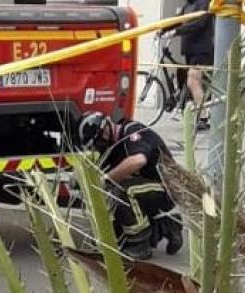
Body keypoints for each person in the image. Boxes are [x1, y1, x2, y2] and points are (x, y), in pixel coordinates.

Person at [76, 111, 182, 258]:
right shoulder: (112, 149)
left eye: (102, 138)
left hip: (166, 187)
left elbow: (138, 161)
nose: (102, 143)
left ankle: (139, 243)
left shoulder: (133, 132)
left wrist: (106, 179)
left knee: (124, 191)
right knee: (113, 192)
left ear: (107, 126)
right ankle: (168, 224)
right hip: (149, 189)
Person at [170, 0, 216, 129]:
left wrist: (177, 31)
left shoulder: (204, 3)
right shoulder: (188, 5)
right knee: (191, 81)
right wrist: (162, 29)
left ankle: (203, 116)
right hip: (190, 50)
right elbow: (176, 20)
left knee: (193, 81)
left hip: (201, 50)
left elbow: (200, 23)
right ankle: (197, 111)